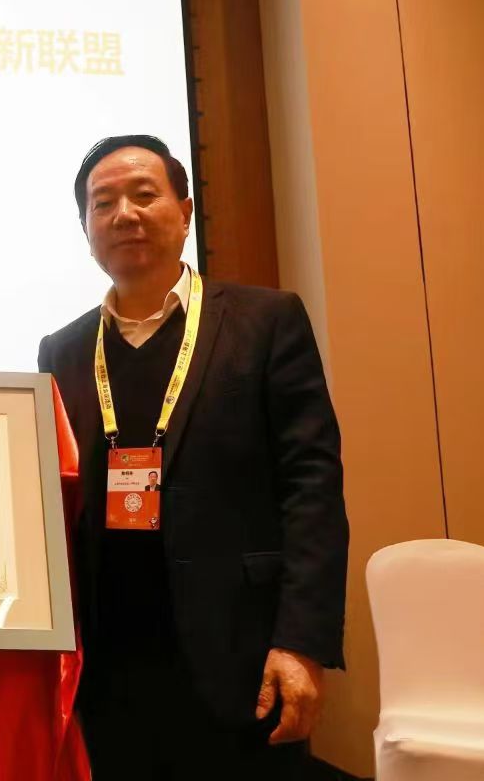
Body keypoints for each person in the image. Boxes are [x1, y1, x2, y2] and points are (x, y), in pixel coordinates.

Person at [37, 135, 348, 780]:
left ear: (184, 213)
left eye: (144, 195)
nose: (125, 214)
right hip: (112, 660)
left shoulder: (266, 321)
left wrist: (302, 641)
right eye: (103, 203)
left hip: (241, 653)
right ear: (86, 231)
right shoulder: (62, 351)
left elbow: (311, 487)